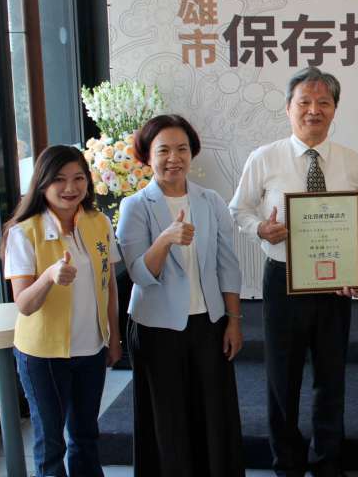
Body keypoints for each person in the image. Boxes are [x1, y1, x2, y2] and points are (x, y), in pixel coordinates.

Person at [229, 66, 358, 477]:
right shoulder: (265, 157)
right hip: (284, 280)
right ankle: (287, 464)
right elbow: (238, 209)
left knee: (331, 377)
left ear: (335, 109)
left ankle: (328, 462)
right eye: (304, 102)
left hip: (335, 285)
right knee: (282, 379)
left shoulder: (352, 162)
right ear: (288, 108)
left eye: (323, 102)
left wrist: (357, 269)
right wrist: (261, 228)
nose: (314, 110)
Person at [117, 114, 243, 477]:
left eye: (182, 149)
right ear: (147, 156)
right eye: (163, 150)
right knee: (168, 420)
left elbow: (227, 266)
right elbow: (140, 275)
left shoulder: (211, 201)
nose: (174, 158)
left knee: (213, 415)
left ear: (192, 153)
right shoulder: (135, 206)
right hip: (157, 329)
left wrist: (233, 321)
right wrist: (165, 239)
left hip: (209, 324)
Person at [1, 145, 121, 477]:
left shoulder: (98, 222)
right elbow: (25, 304)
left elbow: (109, 284)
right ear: (42, 183)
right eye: (59, 179)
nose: (71, 187)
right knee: (51, 444)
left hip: (91, 350)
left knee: (86, 437)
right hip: (43, 356)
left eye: (78, 178)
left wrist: (113, 338)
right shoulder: (24, 232)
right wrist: (49, 277)